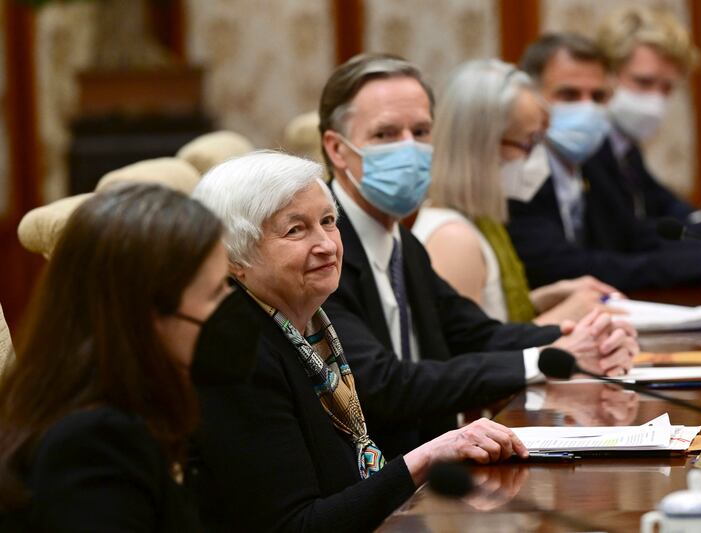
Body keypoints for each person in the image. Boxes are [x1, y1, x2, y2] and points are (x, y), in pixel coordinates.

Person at [190, 150, 531, 532]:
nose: (327, 245)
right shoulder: (240, 354)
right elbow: (295, 525)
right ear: (235, 257)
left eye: (328, 221)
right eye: (295, 230)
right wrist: (425, 459)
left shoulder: (312, 324)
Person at [318, 53, 638, 458]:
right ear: (338, 149)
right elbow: (382, 385)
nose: (409, 148)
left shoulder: (400, 238)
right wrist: (546, 359)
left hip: (436, 473)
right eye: (385, 134)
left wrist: (584, 339)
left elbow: (475, 334)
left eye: (420, 131)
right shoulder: (325, 249)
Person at [0, 183, 230, 531]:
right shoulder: (94, 442)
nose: (232, 309)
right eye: (215, 294)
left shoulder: (132, 401)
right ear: (147, 315)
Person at [510, 33, 701, 291]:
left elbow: (632, 235)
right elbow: (565, 267)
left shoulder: (579, 159)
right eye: (569, 95)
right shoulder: (518, 171)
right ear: (530, 97)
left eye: (598, 97)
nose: (587, 108)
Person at [415, 58, 623, 326]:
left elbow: (490, 317)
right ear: (482, 146)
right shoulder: (453, 239)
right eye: (530, 142)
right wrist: (559, 317)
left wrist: (543, 298)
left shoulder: (484, 222)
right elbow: (468, 359)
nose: (539, 158)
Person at [596, 5, 701, 226]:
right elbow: (628, 236)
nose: (655, 100)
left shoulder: (626, 147)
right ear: (606, 74)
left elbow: (665, 204)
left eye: (667, 88)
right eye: (644, 82)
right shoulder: (588, 147)